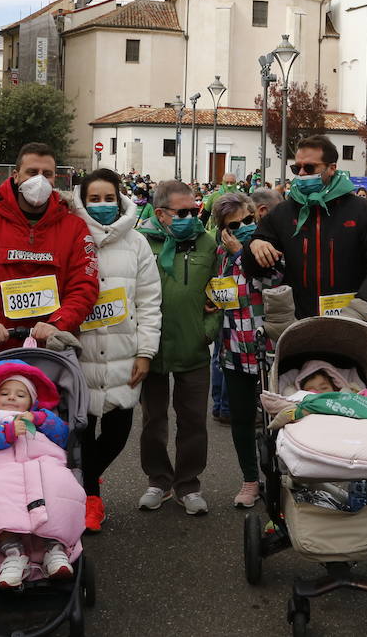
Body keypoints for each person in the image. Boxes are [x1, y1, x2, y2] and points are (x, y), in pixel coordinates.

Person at [65, 169, 161, 532]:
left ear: (120, 199)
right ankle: (90, 498)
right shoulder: (71, 237)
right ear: (82, 200)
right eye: (94, 198)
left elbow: (150, 301)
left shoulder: (137, 243)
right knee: (83, 431)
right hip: (81, 352)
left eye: (109, 198)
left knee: (119, 433)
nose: (102, 205)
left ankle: (85, 479)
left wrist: (145, 352)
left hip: (125, 352)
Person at [0, 143, 100, 356]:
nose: (40, 179)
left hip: (52, 351)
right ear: (16, 176)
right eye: (32, 172)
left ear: (55, 178)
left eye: (47, 174)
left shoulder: (74, 227)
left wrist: (58, 325)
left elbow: (84, 286)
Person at [136, 179, 221, 515]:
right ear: (161, 213)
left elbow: (220, 293)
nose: (192, 216)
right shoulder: (140, 243)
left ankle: (189, 484)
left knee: (193, 421)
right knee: (153, 420)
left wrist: (207, 331)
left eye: (195, 209)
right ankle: (158, 480)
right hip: (151, 348)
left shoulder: (207, 243)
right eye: (182, 212)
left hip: (193, 346)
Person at [0, 359, 85, 587]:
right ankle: (13, 555)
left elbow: (64, 437)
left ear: (32, 402)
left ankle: (54, 549)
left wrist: (41, 420)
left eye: (20, 394)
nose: (11, 398)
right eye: (4, 393)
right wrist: (4, 434)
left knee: (58, 488)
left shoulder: (41, 418)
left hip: (43, 466)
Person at [244, 135, 367, 322]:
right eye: (296, 167)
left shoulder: (362, 210)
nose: (300, 173)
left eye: (309, 167)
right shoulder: (283, 212)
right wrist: (254, 245)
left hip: (353, 319)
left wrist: (364, 304)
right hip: (299, 322)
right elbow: (255, 268)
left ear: (331, 168)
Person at [208, 192, 278, 509]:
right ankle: (250, 480)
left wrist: (241, 254)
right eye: (234, 225)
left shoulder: (270, 249)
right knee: (242, 418)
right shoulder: (219, 256)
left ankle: (282, 478)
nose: (243, 228)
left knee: (282, 419)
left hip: (272, 349)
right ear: (224, 229)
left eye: (248, 220)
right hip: (234, 347)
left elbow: (276, 279)